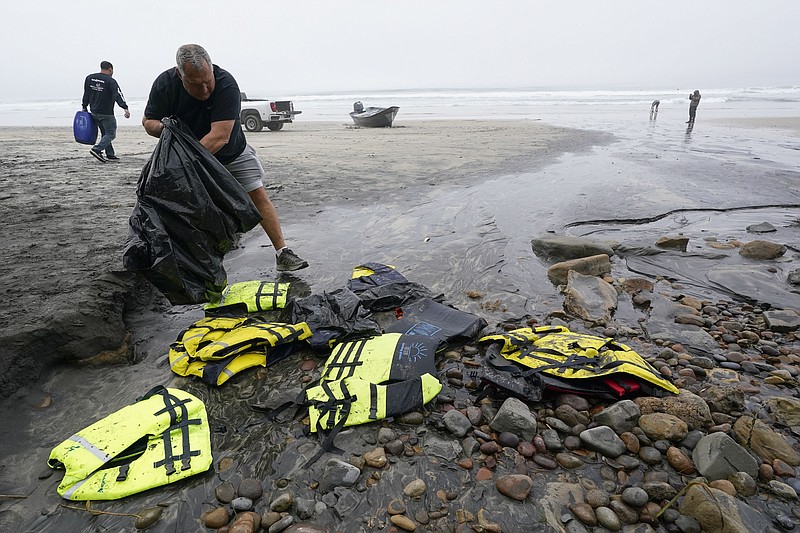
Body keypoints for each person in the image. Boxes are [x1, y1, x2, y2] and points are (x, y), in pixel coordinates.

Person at [142, 44, 308, 272]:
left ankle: (283, 253)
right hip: (187, 158)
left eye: (207, 81)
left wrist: (187, 167)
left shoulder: (226, 84)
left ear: (212, 69)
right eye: (195, 84)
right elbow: (148, 123)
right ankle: (196, 266)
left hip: (231, 153)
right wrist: (166, 128)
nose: (204, 90)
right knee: (191, 211)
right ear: (180, 75)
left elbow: (219, 137)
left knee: (258, 196)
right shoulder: (164, 85)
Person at [82, 61, 130, 162]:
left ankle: (110, 154)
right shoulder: (110, 81)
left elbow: (86, 93)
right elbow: (118, 94)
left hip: (94, 111)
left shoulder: (90, 78)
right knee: (111, 134)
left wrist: (84, 106)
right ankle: (97, 149)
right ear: (110, 69)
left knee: (105, 133)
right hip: (106, 113)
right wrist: (125, 108)